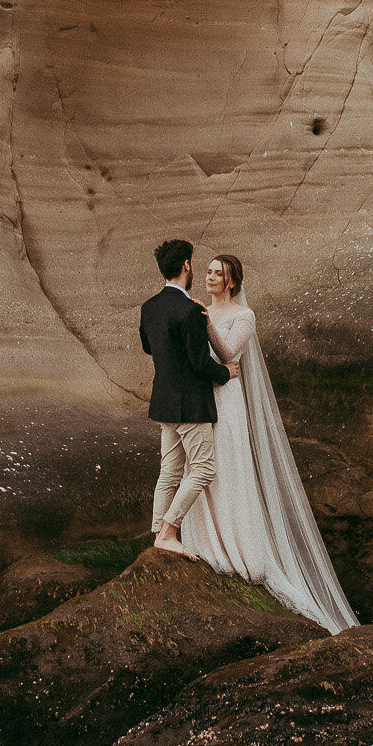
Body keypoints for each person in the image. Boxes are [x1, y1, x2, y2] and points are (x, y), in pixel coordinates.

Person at [180, 254, 360, 634]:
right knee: (201, 468)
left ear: (231, 282)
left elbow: (229, 354)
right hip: (201, 397)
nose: (209, 277)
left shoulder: (244, 317)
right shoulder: (195, 309)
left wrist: (207, 322)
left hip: (227, 402)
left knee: (228, 466)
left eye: (218, 274)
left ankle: (237, 550)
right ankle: (205, 542)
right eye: (208, 271)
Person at [139, 238, 232, 557]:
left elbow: (149, 347)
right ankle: (168, 532)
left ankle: (156, 534)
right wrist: (227, 373)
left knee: (170, 471)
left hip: (163, 402)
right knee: (204, 469)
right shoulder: (190, 310)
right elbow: (200, 362)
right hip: (190, 405)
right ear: (187, 266)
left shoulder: (149, 307)